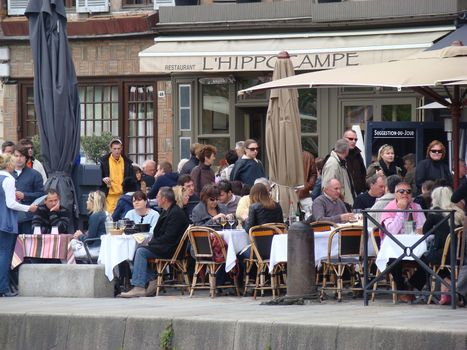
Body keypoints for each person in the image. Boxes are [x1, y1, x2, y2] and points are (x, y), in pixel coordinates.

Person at [118, 187, 189, 298]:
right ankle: (152, 279)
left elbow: (168, 237)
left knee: (141, 251)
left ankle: (139, 286)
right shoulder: (168, 211)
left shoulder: (175, 213)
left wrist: (151, 244)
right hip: (166, 246)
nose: (156, 199)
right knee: (134, 252)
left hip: (171, 249)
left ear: (164, 199)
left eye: (158, 197)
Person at [380, 182, 426, 303]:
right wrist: (400, 211)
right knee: (393, 261)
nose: (405, 194)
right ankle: (401, 290)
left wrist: (420, 229)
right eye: (401, 191)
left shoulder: (417, 207)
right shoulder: (388, 209)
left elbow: (423, 228)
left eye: (408, 192)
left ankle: (411, 285)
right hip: (395, 248)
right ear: (395, 194)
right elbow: (392, 231)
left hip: (415, 247)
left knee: (431, 259)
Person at [0, 154, 37, 297]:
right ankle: (3, 288)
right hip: (5, 221)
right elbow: (11, 204)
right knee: (5, 254)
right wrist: (29, 208)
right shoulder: (8, 180)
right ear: (9, 165)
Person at [423, 186, 463, 305]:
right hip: (459, 253)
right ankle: (446, 292)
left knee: (424, 259)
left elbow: (426, 231)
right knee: (433, 259)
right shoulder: (458, 213)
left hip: (444, 253)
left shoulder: (435, 213)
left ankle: (448, 286)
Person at [13, 145, 44, 235]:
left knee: (27, 246)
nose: (19, 159)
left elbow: (41, 195)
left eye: (21, 156)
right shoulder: (7, 174)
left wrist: (24, 195)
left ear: (26, 158)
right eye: (16, 156)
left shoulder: (35, 174)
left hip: (27, 217)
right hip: (9, 217)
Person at [99, 138, 134, 213]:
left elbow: (132, 179)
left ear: (121, 148)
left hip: (123, 196)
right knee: (109, 219)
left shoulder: (127, 162)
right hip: (109, 196)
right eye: (114, 149)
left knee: (122, 218)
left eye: (118, 148)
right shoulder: (103, 161)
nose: (117, 151)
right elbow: (98, 177)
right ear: (111, 149)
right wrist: (103, 179)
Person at [72, 191, 107, 258]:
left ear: (93, 202)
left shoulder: (95, 216)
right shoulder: (104, 214)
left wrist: (80, 235)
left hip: (95, 249)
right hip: (102, 248)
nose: (86, 202)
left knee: (71, 245)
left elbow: (90, 240)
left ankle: (69, 268)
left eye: (88, 200)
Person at [321, 139, 356, 206]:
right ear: (346, 151)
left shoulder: (340, 162)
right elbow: (327, 187)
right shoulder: (333, 164)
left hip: (342, 204)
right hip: (338, 205)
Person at [343, 129, 367, 195]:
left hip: (358, 193)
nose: (353, 141)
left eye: (355, 139)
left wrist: (363, 190)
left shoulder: (358, 155)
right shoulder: (337, 154)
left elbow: (363, 174)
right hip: (343, 194)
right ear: (343, 139)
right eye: (350, 139)